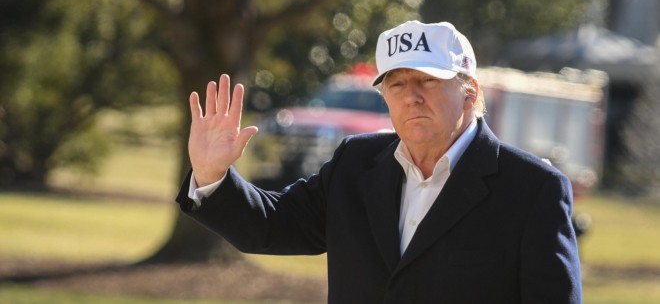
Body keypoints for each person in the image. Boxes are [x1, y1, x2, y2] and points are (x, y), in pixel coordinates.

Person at [176, 21, 582, 303]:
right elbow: (270, 226)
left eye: (428, 80)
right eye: (397, 83)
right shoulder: (357, 163)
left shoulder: (533, 189)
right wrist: (213, 175)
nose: (412, 96)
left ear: (470, 92)